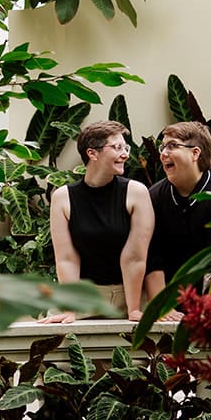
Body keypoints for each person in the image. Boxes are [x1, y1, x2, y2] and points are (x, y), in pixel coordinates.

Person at [48, 120, 154, 323]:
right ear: (92, 153)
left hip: (130, 294)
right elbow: (67, 259)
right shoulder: (63, 197)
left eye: (125, 147)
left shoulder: (136, 192)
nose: (125, 154)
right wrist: (70, 310)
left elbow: (135, 256)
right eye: (117, 147)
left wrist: (133, 310)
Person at [144, 121, 211, 316]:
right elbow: (152, 257)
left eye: (172, 146)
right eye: (162, 147)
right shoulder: (154, 197)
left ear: (195, 153)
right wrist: (162, 308)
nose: (163, 153)